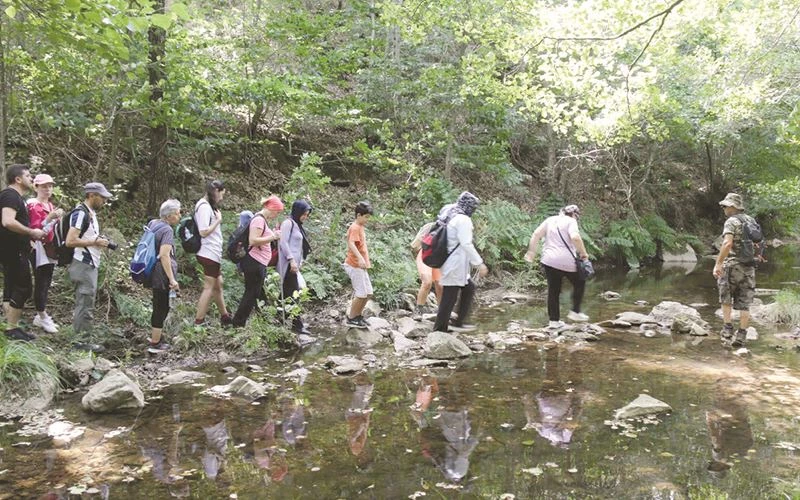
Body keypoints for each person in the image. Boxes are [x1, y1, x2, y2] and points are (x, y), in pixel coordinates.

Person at [524, 204, 590, 329]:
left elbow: (536, 234)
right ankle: (575, 312)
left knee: (553, 291)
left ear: (562, 212)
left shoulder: (550, 220)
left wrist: (531, 252)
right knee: (580, 282)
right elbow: (575, 237)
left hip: (549, 261)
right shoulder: (571, 221)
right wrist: (583, 253)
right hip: (567, 261)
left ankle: (554, 321)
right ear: (575, 215)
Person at [0, 164, 46, 341]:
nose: (31, 178)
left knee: (11, 287)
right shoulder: (11, 195)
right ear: (18, 179)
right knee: (24, 287)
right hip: (13, 250)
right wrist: (31, 232)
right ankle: (11, 329)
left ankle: (10, 326)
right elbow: (8, 221)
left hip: (13, 249)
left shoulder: (11, 196)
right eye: (28, 175)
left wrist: (28, 239)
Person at [66, 182, 113, 351]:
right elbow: (70, 241)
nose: (105, 201)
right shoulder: (80, 213)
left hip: (89, 263)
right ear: (92, 195)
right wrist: (94, 242)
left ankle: (83, 339)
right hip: (83, 264)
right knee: (84, 302)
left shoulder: (90, 214)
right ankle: (81, 343)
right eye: (102, 198)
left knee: (87, 301)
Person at [433, 192, 488, 333]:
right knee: (449, 297)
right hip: (455, 263)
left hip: (451, 260)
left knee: (469, 288)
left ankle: (458, 322)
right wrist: (479, 263)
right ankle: (439, 330)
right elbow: (466, 243)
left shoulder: (449, 210)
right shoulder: (463, 219)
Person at [713, 193, 760, 347]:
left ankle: (727, 329)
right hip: (749, 267)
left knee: (726, 297)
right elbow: (758, 243)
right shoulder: (751, 220)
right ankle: (741, 334)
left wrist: (718, 264)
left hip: (732, 266)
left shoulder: (731, 221)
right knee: (745, 302)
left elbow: (727, 244)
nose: (723, 209)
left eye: (725, 206)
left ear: (733, 207)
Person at [231, 195, 283, 327]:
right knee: (251, 294)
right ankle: (238, 323)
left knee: (257, 292)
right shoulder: (258, 220)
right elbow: (253, 240)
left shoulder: (261, 220)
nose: (276, 215)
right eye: (277, 212)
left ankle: (264, 319)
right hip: (254, 262)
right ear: (272, 208)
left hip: (258, 262)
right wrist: (273, 237)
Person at [26, 173, 64, 334]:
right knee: (41, 281)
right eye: (44, 186)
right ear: (36, 187)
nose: (47, 189)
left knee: (46, 281)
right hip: (37, 247)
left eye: (49, 186)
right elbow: (35, 229)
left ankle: (40, 314)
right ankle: (42, 315)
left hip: (50, 246)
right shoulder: (33, 205)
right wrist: (49, 218)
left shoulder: (49, 205)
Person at [193, 180, 233, 327]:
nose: (221, 198)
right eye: (220, 195)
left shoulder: (207, 206)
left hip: (212, 253)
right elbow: (203, 232)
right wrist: (218, 221)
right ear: (215, 191)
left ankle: (225, 317)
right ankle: (199, 321)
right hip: (208, 252)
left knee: (218, 284)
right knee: (209, 287)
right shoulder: (203, 207)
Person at [146, 199, 181, 354]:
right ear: (170, 215)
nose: (179, 216)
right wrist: (172, 279)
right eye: (178, 213)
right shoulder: (167, 230)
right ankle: (155, 343)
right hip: (161, 273)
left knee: (158, 304)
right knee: (162, 306)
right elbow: (164, 255)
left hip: (153, 270)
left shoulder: (154, 224)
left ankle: (156, 337)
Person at [278, 199, 313, 337]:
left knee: (289, 294)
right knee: (294, 293)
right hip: (288, 265)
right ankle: (296, 325)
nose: (305, 217)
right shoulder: (288, 223)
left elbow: (298, 247)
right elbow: (284, 243)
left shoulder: (298, 226)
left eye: (307, 214)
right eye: (304, 214)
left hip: (295, 266)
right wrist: (291, 260)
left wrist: (300, 261)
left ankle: (282, 321)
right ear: (297, 211)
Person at [343, 201, 374, 329]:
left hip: (361, 266)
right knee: (361, 293)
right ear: (358, 215)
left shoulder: (360, 227)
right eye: (366, 217)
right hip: (354, 265)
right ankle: (351, 318)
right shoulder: (355, 227)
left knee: (368, 293)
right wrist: (360, 258)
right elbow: (351, 243)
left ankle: (357, 316)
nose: (367, 219)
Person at [410, 221, 443, 320]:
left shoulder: (453, 229)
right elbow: (415, 244)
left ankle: (442, 311)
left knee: (441, 285)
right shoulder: (431, 226)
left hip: (438, 258)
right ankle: (418, 310)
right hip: (425, 254)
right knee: (427, 282)